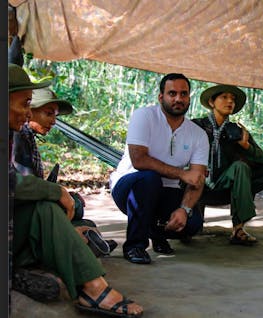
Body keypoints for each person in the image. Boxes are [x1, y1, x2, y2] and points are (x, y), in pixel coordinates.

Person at [9, 63, 143, 317]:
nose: (27, 114)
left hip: (15, 227)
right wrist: (57, 193)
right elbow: (14, 185)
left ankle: (79, 264)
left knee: (72, 213)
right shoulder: (17, 137)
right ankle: (93, 286)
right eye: (25, 104)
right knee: (49, 209)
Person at [109, 73, 209, 264]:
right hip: (130, 187)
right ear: (161, 97)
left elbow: (197, 178)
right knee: (149, 178)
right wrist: (181, 173)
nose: (178, 98)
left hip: (167, 190)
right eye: (172, 93)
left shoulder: (198, 134)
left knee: (192, 222)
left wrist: (184, 209)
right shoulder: (144, 116)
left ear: (189, 98)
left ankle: (156, 231)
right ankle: (135, 246)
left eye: (183, 94)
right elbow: (139, 160)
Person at [12, 87, 117, 257]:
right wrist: (62, 196)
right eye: (48, 114)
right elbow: (26, 189)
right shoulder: (18, 135)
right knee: (76, 211)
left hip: (34, 207)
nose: (53, 121)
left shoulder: (27, 136)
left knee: (83, 218)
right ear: (30, 111)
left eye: (55, 116)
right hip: (26, 214)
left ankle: (88, 243)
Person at [192, 85, 263, 245]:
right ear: (212, 102)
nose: (230, 101)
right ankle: (188, 222)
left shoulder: (237, 131)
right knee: (188, 166)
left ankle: (238, 229)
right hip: (197, 179)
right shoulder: (196, 126)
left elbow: (262, 160)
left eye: (232, 99)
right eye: (224, 97)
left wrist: (246, 146)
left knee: (241, 167)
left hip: (225, 183)